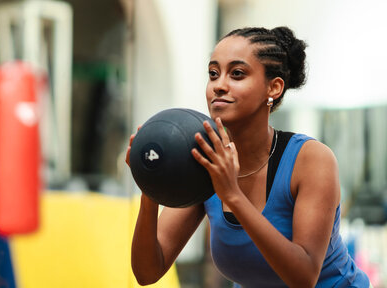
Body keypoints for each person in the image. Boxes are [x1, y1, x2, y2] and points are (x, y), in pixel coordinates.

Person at [126, 27, 370, 287]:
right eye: (213, 74)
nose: (219, 85)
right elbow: (147, 272)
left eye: (237, 74)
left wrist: (232, 195)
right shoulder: (203, 160)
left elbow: (303, 277)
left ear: (273, 88)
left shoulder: (311, 160)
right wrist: (150, 187)